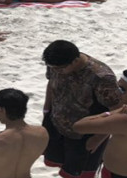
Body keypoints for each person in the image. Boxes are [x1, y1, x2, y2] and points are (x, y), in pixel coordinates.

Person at [41, 40, 121, 178]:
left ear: (75, 60)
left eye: (60, 69)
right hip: (56, 124)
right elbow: (51, 83)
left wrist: (99, 138)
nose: (56, 71)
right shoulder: (55, 63)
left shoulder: (101, 76)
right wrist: (46, 111)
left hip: (84, 135)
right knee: (61, 163)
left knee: (79, 173)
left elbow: (118, 110)